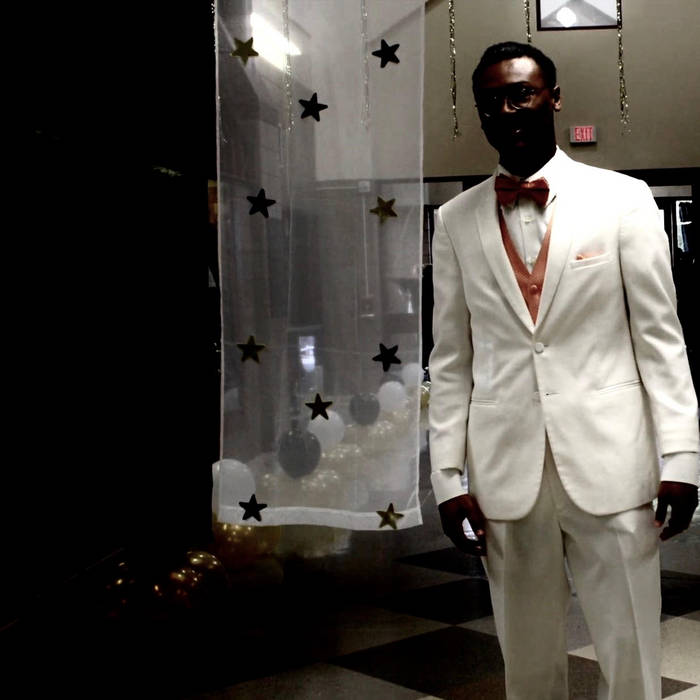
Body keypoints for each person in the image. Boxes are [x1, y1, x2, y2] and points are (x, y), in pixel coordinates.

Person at [428, 41, 699, 700]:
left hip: (614, 463)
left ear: (553, 97)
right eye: (491, 100)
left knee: (630, 650)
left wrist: (682, 458)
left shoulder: (623, 200)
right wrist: (446, 477)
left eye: (521, 92)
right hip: (504, 473)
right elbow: (451, 360)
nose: (507, 109)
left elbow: (660, 341)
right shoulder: (455, 221)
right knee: (525, 657)